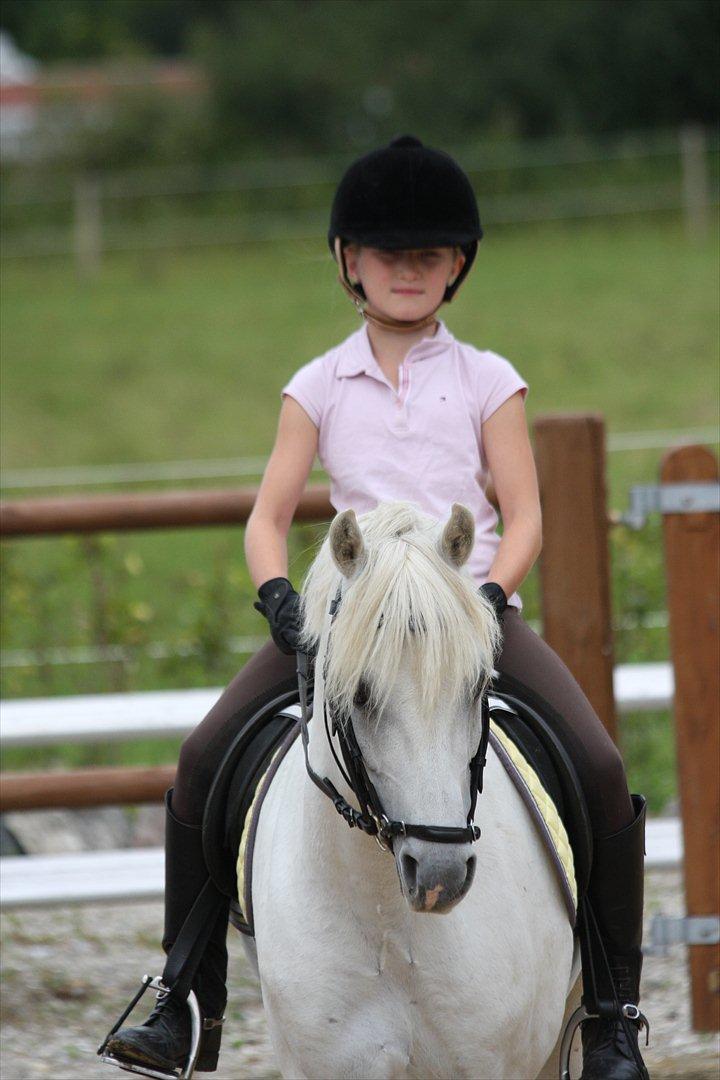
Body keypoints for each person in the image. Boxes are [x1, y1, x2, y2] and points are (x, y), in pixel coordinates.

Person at [105, 136, 648, 1080]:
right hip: (348, 626)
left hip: (464, 624)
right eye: (390, 255)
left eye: (430, 256)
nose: (409, 271)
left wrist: (484, 596)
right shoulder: (316, 385)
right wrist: (278, 597)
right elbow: (267, 517)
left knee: (599, 769)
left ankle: (611, 1015)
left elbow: (523, 516)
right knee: (202, 762)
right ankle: (185, 997)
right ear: (349, 262)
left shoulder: (489, 379)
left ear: (458, 267)